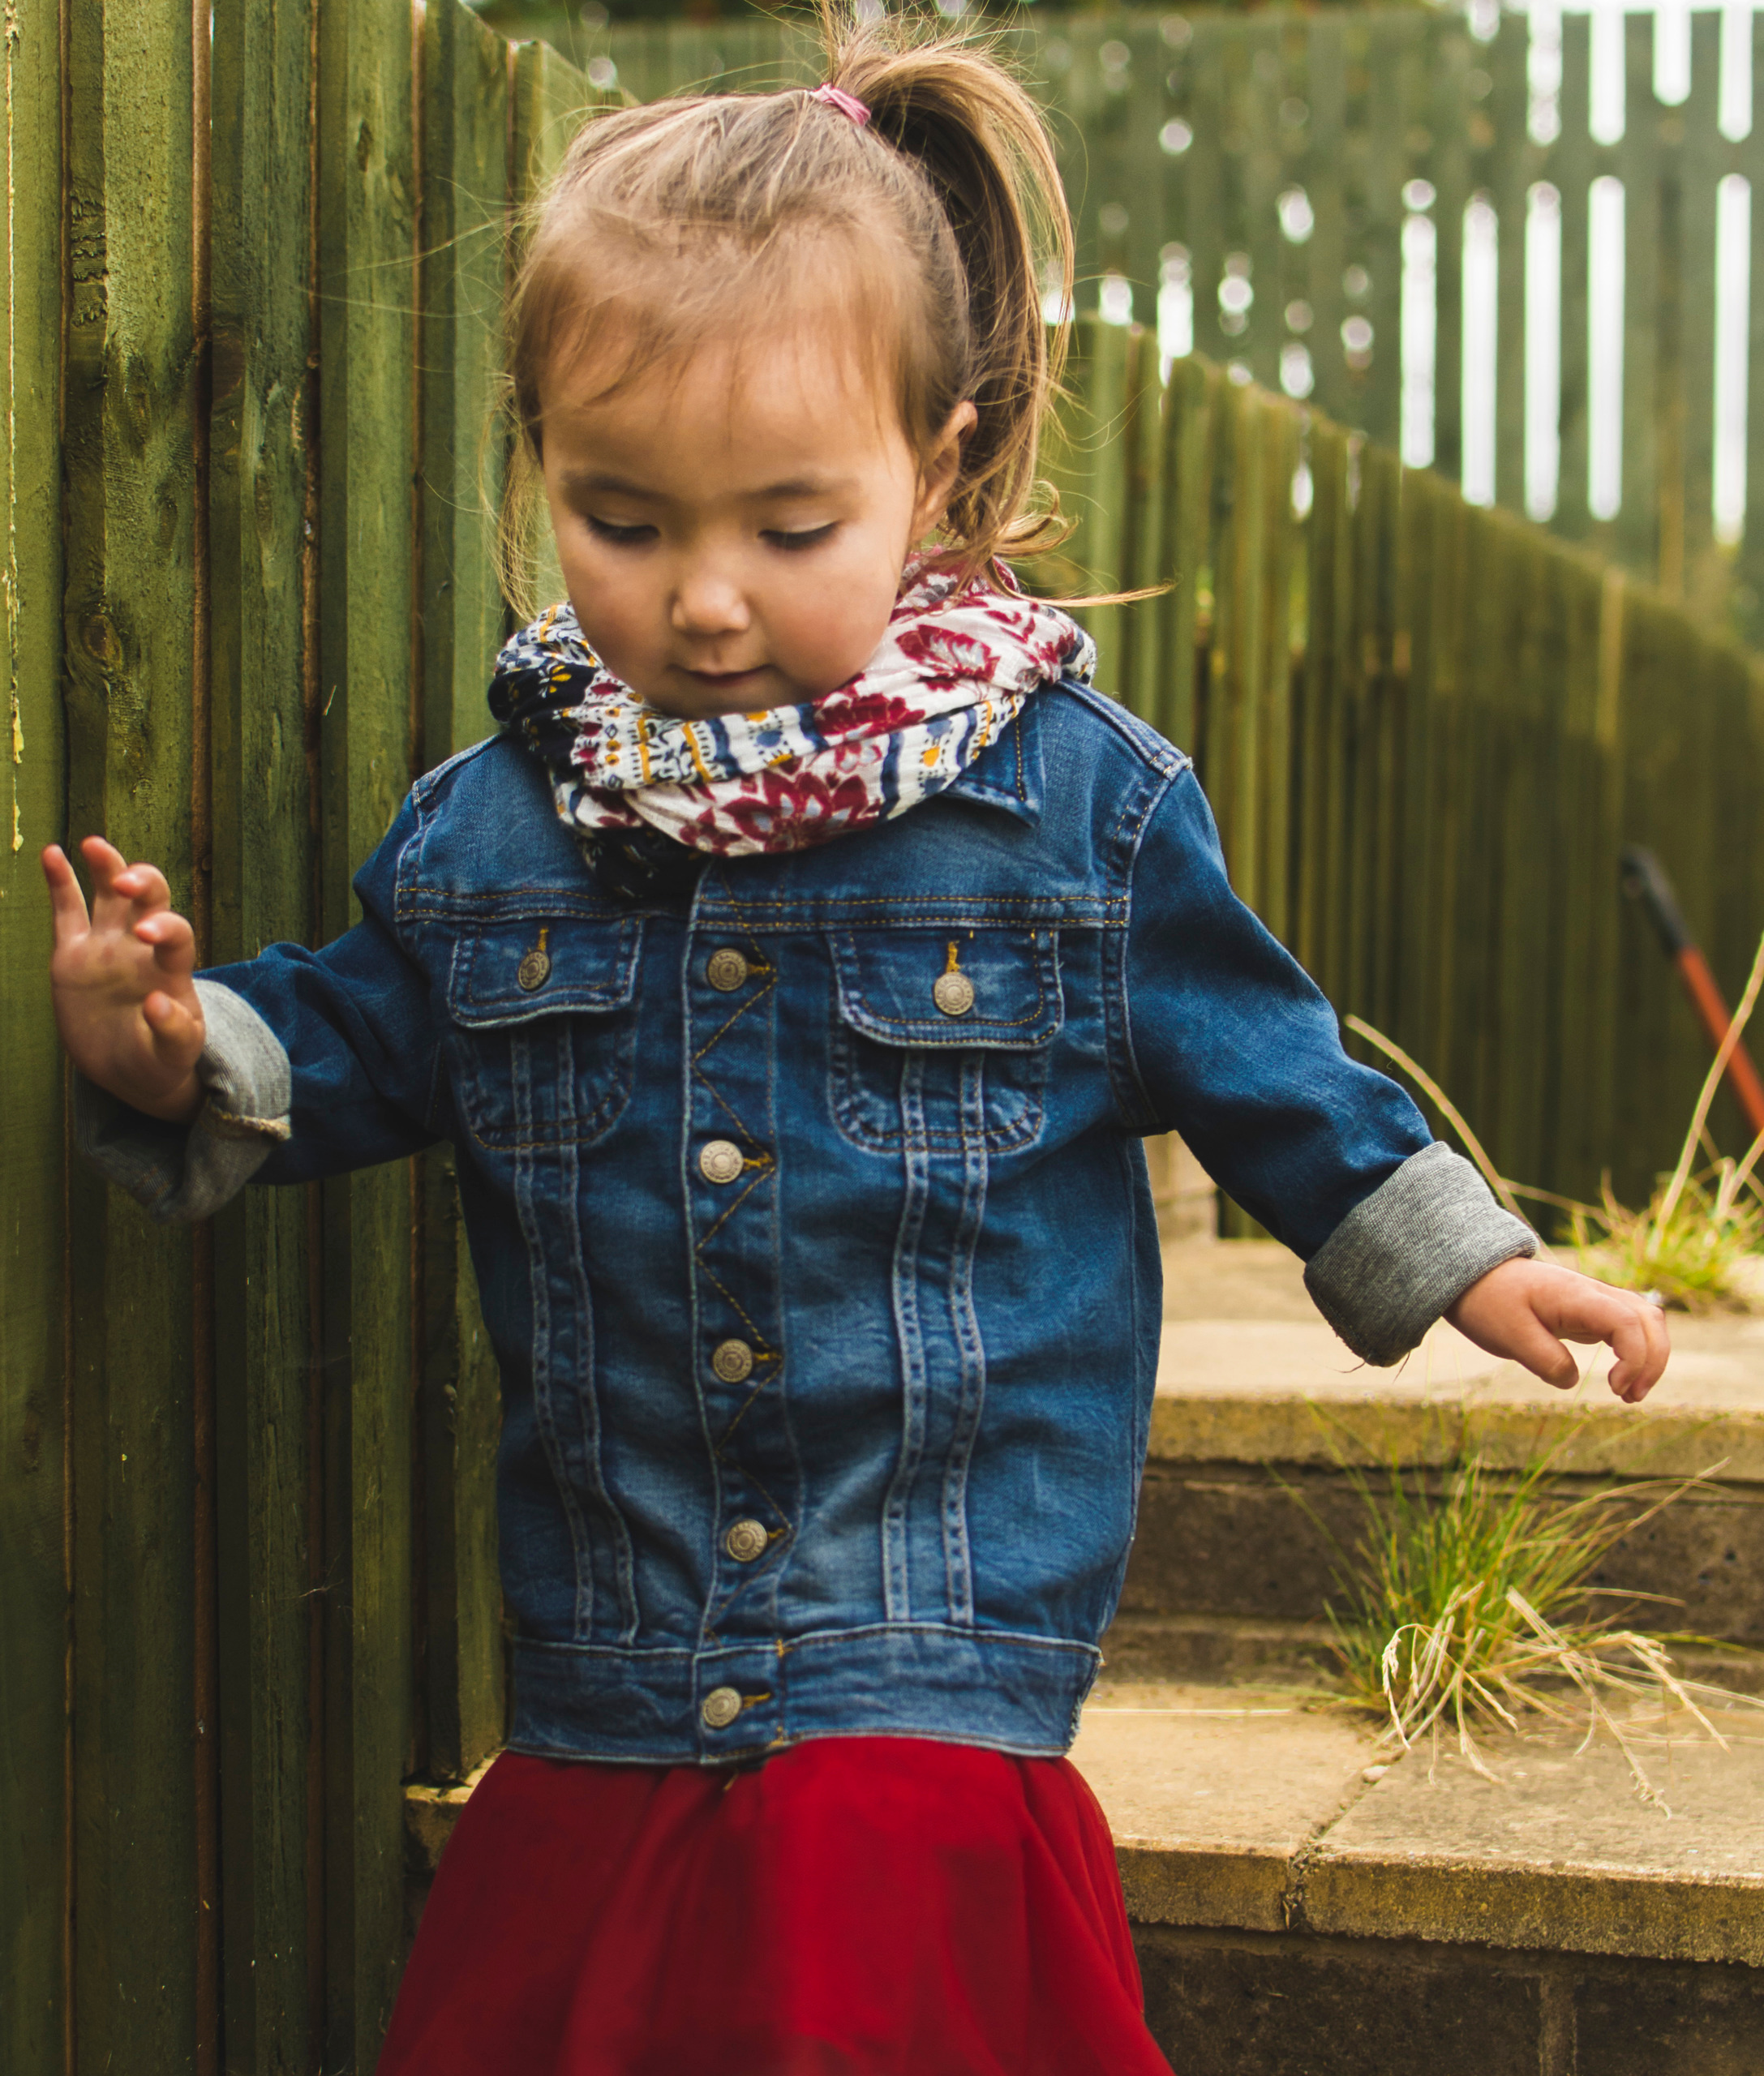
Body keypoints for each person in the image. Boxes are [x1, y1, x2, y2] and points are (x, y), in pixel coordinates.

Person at [43, 9, 1669, 2071]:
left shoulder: (1076, 810)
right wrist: (170, 1042)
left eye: (785, 529)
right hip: (613, 1682)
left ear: (942, 460)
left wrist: (1474, 1261)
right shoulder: (488, 837)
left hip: (919, 1686)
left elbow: (1272, 1068)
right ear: (534, 453)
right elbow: (354, 1045)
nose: (702, 600)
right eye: (622, 520)